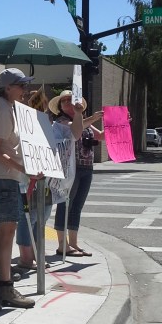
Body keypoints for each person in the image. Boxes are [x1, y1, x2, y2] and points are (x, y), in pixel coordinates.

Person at [0, 68, 40, 309]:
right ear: (8, 87)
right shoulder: (3, 109)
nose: (25, 90)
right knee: (7, 231)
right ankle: (5, 286)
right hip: (3, 178)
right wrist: (22, 168)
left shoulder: (1, 106)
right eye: (21, 85)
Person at [16, 88, 84, 271]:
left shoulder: (50, 123)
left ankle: (37, 255)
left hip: (46, 178)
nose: (41, 108)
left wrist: (78, 114)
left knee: (42, 217)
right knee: (28, 218)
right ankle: (26, 257)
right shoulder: (24, 122)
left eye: (43, 106)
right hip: (28, 177)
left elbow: (75, 135)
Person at [51, 90, 104, 256]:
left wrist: (119, 125)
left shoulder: (80, 119)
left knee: (77, 206)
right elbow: (76, 130)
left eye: (71, 100)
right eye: (64, 101)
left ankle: (73, 243)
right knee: (65, 204)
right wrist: (94, 117)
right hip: (69, 168)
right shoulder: (61, 121)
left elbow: (100, 136)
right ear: (60, 106)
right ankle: (62, 244)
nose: (68, 103)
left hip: (86, 167)